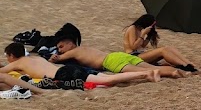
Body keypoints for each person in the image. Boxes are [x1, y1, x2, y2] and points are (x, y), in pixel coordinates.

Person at [1, 43, 162, 90]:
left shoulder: (17, 63)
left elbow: (2, 72)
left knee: (108, 80)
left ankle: (145, 74)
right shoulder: (34, 57)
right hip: (66, 69)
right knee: (105, 79)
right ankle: (146, 74)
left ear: (11, 56)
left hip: (64, 75)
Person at [51, 31, 185, 79]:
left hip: (111, 61)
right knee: (148, 66)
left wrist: (54, 57)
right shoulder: (84, 48)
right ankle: (185, 71)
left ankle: (173, 73)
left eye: (61, 47)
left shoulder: (73, 51)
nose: (61, 50)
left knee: (148, 70)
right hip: (118, 55)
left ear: (70, 43)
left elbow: (57, 59)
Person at [122, 14, 198, 72]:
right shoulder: (133, 28)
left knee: (168, 48)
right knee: (162, 50)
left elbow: (142, 45)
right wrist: (143, 34)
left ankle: (189, 64)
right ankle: (184, 66)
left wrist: (149, 36)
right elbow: (133, 47)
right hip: (133, 57)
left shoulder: (139, 29)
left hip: (139, 54)